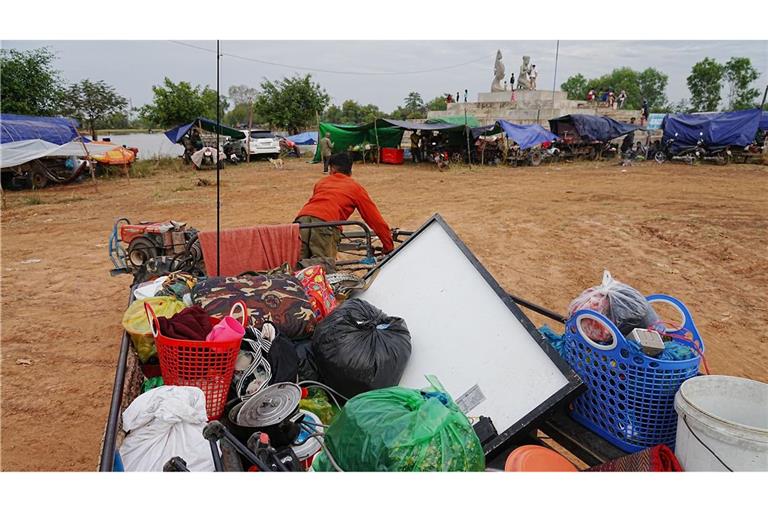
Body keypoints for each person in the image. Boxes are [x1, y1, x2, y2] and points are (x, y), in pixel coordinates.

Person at [294, 152, 394, 261]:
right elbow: (374, 219)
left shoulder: (321, 183)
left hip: (301, 221)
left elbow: (318, 207)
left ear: (332, 169)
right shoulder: (355, 188)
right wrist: (388, 246)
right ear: (350, 170)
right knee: (323, 265)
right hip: (326, 224)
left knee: (297, 262)